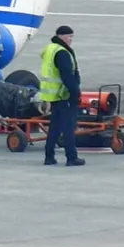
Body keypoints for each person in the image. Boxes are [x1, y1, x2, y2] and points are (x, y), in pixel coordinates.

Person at [36, 25, 83, 166]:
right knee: (68, 128)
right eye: (70, 37)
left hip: (53, 96)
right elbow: (67, 76)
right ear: (62, 36)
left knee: (55, 128)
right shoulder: (62, 52)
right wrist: (75, 93)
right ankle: (71, 157)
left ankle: (49, 156)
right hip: (64, 95)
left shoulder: (50, 48)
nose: (71, 40)